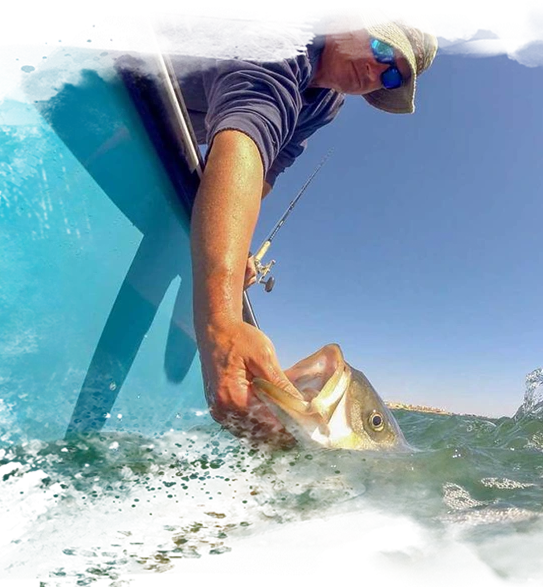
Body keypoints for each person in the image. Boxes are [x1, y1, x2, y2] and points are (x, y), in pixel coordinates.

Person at [155, 7, 439, 453]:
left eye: (390, 77)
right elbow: (245, 137)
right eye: (382, 47)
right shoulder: (282, 34)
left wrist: (235, 247)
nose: (376, 70)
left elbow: (268, 165)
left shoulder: (326, 103)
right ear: (347, 16)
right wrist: (223, 324)